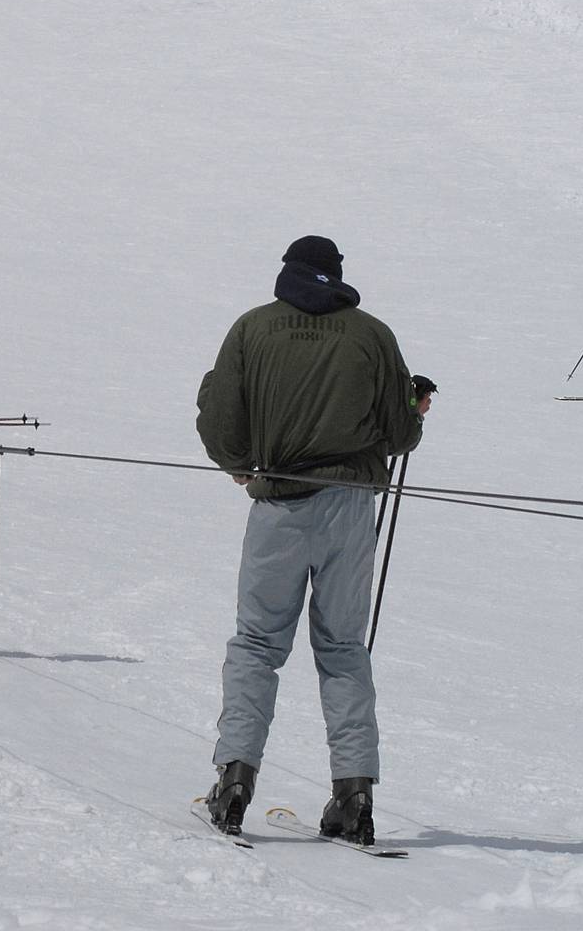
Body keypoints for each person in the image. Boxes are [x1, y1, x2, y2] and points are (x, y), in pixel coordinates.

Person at [195, 236, 430, 845]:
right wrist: (413, 409)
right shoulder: (371, 334)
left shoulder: (252, 329)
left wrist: (244, 463)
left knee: (257, 642)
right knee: (344, 646)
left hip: (279, 504)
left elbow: (221, 421)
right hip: (351, 507)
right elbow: (400, 433)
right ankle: (354, 794)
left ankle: (235, 780)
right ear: (336, 275)